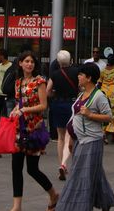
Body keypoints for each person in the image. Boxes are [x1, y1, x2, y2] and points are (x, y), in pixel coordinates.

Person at [55, 62, 114, 211]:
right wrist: (71, 139)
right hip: (79, 140)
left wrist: (90, 114)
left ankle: (75, 207)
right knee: (94, 174)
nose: (78, 76)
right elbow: (75, 117)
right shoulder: (81, 94)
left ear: (89, 78)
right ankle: (106, 202)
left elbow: (109, 116)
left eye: (81, 74)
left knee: (81, 176)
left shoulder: (99, 96)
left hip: (91, 141)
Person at [9, 50, 59, 211]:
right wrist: (16, 109)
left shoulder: (40, 82)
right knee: (16, 167)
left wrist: (24, 110)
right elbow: (20, 102)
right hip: (19, 128)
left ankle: (53, 193)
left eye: (32, 62)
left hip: (34, 129)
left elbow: (43, 106)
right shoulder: (18, 82)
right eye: (27, 61)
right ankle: (17, 206)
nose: (30, 64)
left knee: (32, 169)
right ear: (20, 63)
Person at [48, 49, 80, 178]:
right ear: (70, 60)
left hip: (58, 104)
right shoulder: (76, 72)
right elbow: (81, 87)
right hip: (71, 105)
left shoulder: (55, 74)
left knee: (60, 137)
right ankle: (68, 164)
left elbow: (48, 91)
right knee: (71, 135)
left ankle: (62, 164)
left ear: (59, 62)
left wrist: (54, 94)